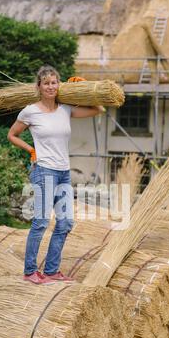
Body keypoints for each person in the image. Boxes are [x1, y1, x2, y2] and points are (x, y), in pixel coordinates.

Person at [8, 65, 104, 284]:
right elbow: (12, 135)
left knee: (65, 223)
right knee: (41, 222)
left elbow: (98, 110)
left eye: (54, 82)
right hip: (44, 170)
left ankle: (51, 271)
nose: (51, 86)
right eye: (46, 83)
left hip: (63, 172)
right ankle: (30, 271)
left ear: (59, 85)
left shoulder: (66, 109)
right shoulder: (30, 111)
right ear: (39, 87)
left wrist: (86, 88)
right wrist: (31, 150)